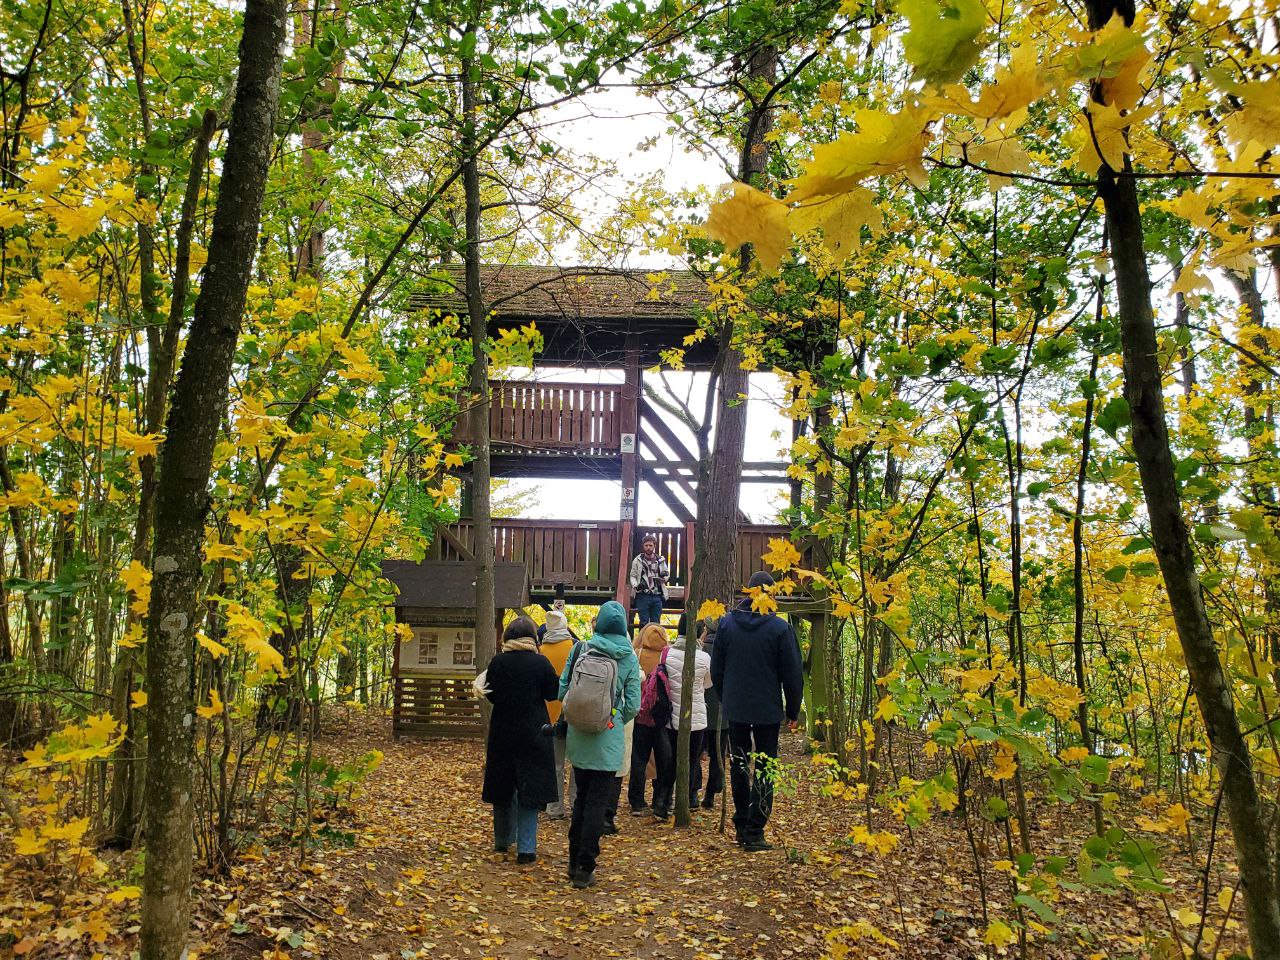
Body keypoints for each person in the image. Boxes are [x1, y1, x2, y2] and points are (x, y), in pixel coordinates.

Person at [710, 571, 803, 852]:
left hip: (736, 706)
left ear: (748, 593)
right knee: (765, 767)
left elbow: (717, 668)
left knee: (739, 764)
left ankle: (742, 825)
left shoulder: (727, 625)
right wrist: (793, 709)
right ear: (770, 594)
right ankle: (755, 830)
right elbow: (793, 672)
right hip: (767, 710)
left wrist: (725, 697)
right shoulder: (779, 628)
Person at [559, 600, 641, 889]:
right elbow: (633, 704)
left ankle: (571, 861)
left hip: (579, 735)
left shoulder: (580, 648)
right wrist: (613, 717)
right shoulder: (629, 658)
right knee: (597, 802)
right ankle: (585, 866)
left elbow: (563, 690)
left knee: (581, 798)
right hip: (608, 737)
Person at [481, 616, 560, 864]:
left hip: (503, 731)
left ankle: (503, 841)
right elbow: (553, 692)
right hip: (533, 732)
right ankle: (527, 849)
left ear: (508, 638)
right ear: (532, 638)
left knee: (504, 787)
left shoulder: (498, 662)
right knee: (530, 789)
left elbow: (490, 694)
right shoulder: (540, 663)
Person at [654, 620, 712, 816]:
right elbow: (708, 683)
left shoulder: (667, 653)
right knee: (692, 759)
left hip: (671, 716)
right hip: (696, 716)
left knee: (671, 760)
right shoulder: (704, 657)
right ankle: (688, 799)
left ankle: (662, 801)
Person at [627, 622, 671, 816]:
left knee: (639, 758)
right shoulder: (666, 656)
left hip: (640, 714)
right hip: (660, 716)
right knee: (663, 759)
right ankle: (659, 799)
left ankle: (636, 801)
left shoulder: (636, 654)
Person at [540, 607, 578, 819]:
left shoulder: (541, 650)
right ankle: (575, 802)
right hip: (571, 711)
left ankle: (554, 807)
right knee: (576, 761)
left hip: (548, 714)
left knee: (555, 764)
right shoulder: (573, 647)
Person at [698, 617, 729, 809]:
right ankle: (711, 793)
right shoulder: (729, 650)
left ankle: (693, 792)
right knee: (718, 755)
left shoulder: (699, 650)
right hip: (722, 711)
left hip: (700, 710)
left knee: (695, 753)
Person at [629, 534, 668, 627]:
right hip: (642, 595)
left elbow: (666, 575)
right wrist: (635, 585)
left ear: (654, 546)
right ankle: (642, 641)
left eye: (650, 545)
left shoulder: (660, 560)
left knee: (656, 623)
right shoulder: (638, 560)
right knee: (643, 622)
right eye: (646, 545)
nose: (648, 548)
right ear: (643, 546)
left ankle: (655, 641)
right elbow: (632, 576)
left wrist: (663, 578)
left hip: (657, 595)